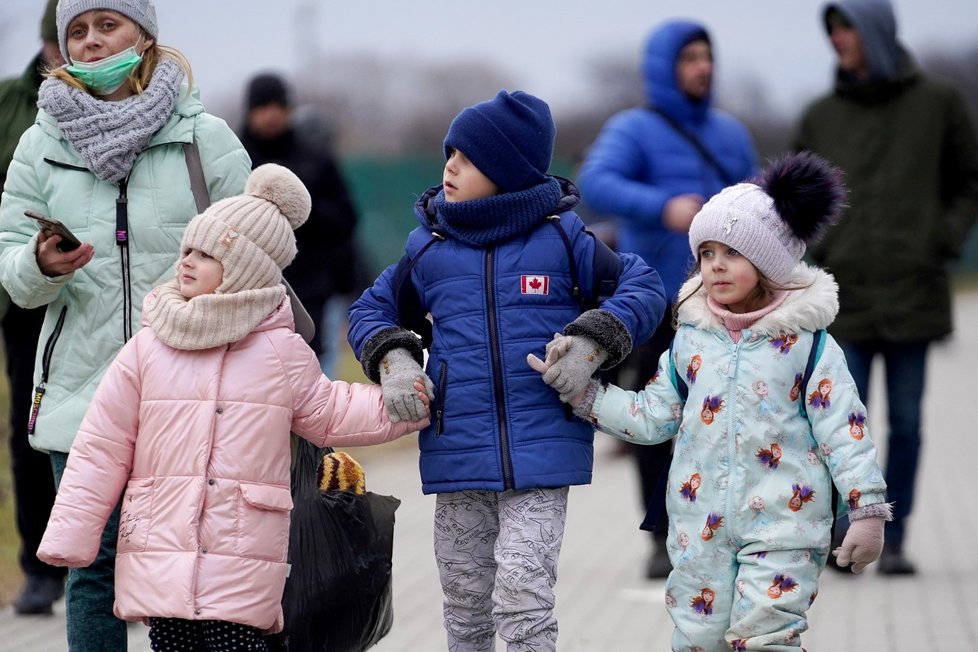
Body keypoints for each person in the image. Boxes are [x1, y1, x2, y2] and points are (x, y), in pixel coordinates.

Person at [34, 164, 430, 651]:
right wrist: (73, 535)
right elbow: (102, 444)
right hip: (164, 545)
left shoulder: (279, 351)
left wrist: (407, 405)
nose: (186, 261)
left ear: (245, 269)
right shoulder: (148, 347)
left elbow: (329, 409)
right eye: (187, 249)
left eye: (206, 254)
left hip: (242, 548)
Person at [347, 90, 666, 651]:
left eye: (465, 158)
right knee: (467, 607)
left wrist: (594, 342)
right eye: (449, 154)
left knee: (523, 594)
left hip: (543, 455)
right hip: (459, 454)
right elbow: (369, 310)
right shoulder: (429, 248)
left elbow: (644, 286)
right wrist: (394, 360)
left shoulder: (564, 239)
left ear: (505, 169)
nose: (449, 167)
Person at [536, 152, 892, 650]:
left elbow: (844, 429)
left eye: (732, 253)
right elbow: (653, 416)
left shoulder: (808, 345)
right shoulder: (690, 341)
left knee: (768, 638)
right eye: (706, 253)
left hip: (786, 527)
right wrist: (585, 394)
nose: (716, 266)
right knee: (699, 641)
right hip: (698, 530)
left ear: (767, 261)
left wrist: (867, 510)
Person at [0, 0, 251, 647]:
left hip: (192, 393)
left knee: (189, 567)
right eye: (76, 31)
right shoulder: (39, 144)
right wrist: (40, 262)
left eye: (106, 24)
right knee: (92, 568)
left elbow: (260, 253)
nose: (90, 41)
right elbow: (12, 271)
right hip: (82, 393)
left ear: (144, 35)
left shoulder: (206, 138)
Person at [793, 0, 978, 575]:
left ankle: (894, 539)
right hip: (843, 296)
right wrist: (816, 257)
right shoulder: (820, 115)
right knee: (839, 423)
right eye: (832, 30)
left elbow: (968, 180)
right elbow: (794, 196)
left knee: (907, 421)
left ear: (874, 31)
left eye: (846, 27)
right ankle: (844, 535)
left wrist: (941, 240)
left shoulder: (939, 102)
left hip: (914, 290)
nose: (838, 40)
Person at [576, 18, 757, 579]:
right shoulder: (633, 128)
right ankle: (659, 536)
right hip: (658, 299)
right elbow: (596, 181)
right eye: (689, 58)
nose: (702, 67)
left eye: (707, 57)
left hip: (728, 302)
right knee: (658, 422)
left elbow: (758, 202)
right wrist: (663, 206)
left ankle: (734, 530)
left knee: (732, 417)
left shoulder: (730, 132)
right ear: (664, 68)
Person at [0, 0, 68, 616]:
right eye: (59, 43)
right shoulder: (8, 104)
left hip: (97, 291)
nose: (65, 57)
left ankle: (116, 564)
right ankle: (40, 568)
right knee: (30, 433)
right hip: (22, 298)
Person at [239, 72, 364, 372]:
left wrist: (297, 207)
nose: (270, 115)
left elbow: (346, 219)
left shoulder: (315, 158)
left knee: (317, 376)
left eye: (277, 106)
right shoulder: (234, 157)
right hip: (249, 290)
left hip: (313, 291)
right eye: (262, 107)